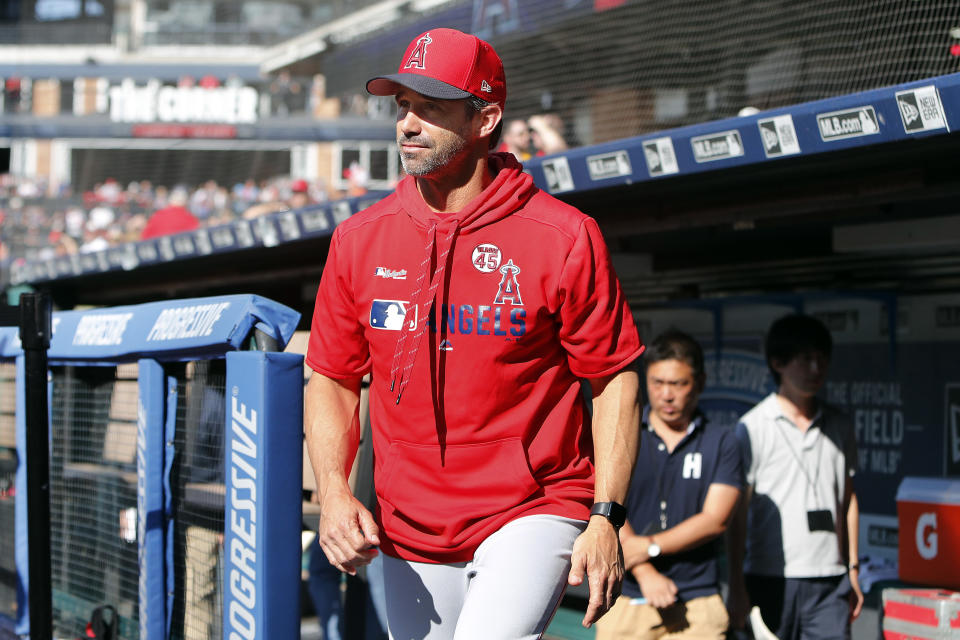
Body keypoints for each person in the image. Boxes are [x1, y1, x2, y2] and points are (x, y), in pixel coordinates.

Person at [304, 27, 644, 640]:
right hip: (408, 520)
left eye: (430, 107)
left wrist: (605, 516)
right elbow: (331, 377)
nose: (407, 123)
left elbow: (614, 377)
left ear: (485, 117)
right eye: (402, 105)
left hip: (533, 507)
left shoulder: (564, 235)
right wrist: (333, 491)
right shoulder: (358, 239)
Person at [595, 330, 742, 640]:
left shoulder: (722, 441)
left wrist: (650, 546)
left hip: (697, 601)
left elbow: (715, 520)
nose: (666, 394)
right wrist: (645, 573)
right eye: (657, 383)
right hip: (626, 597)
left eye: (678, 384)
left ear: (699, 383)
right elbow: (607, 504)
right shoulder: (625, 434)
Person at [727, 314, 864, 640]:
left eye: (821, 359)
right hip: (769, 576)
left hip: (830, 579)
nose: (816, 370)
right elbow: (737, 514)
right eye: (805, 360)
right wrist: (735, 585)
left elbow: (849, 499)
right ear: (778, 362)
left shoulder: (840, 425)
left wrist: (853, 569)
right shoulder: (751, 426)